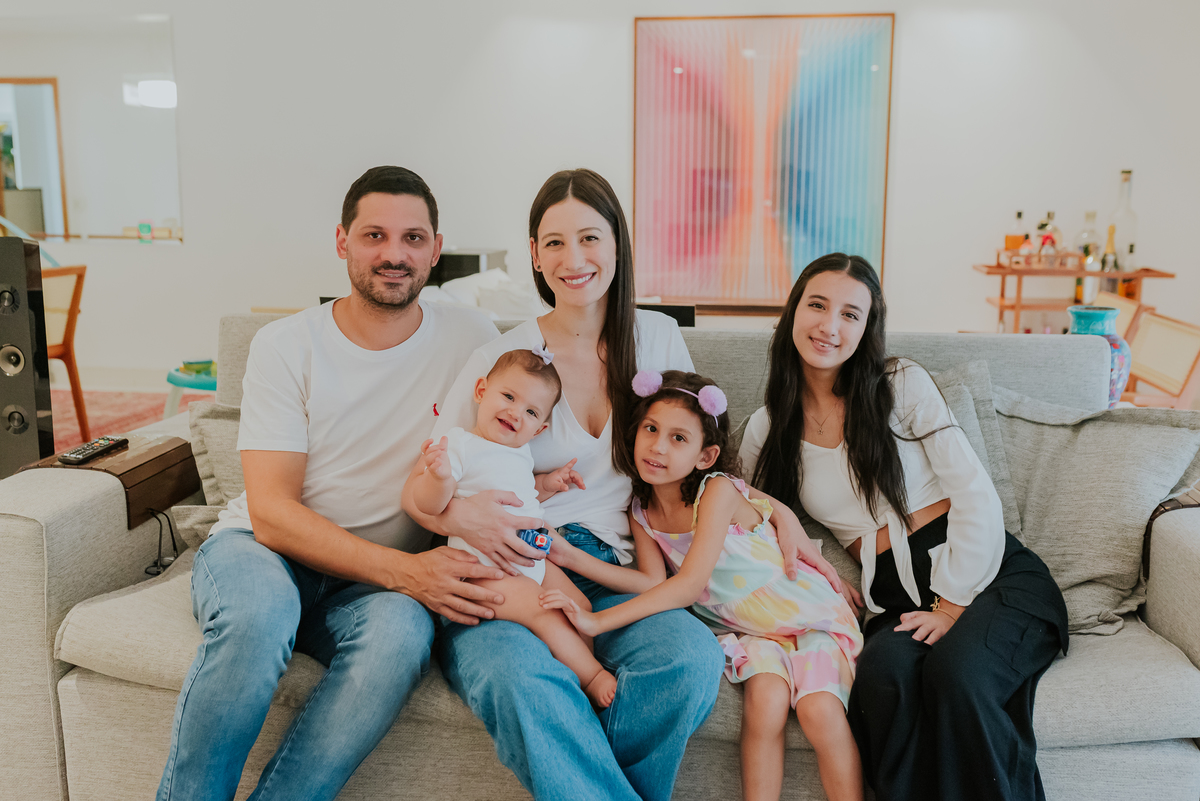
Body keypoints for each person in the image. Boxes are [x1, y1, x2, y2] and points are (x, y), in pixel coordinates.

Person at [404, 168, 783, 800]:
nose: (572, 259)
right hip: (508, 566)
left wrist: (771, 507)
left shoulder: (658, 336)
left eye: (589, 238)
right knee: (522, 684)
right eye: (553, 242)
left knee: (688, 662)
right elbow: (429, 482)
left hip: (615, 566)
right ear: (533, 254)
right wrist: (462, 519)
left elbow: (696, 459)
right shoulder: (503, 361)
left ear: (617, 245)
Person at [157, 166, 505, 801]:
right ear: (342, 241)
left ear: (435, 247)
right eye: (374, 235)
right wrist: (407, 573)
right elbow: (271, 513)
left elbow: (516, 436)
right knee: (259, 618)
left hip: (365, 587)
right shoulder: (285, 345)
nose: (394, 255)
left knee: (404, 634)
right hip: (264, 553)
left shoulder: (474, 341)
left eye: (413, 238)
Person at [738, 253, 1069, 801]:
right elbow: (739, 515)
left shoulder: (898, 384)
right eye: (817, 305)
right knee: (881, 679)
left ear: (867, 328)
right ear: (794, 310)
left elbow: (973, 492)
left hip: (989, 576)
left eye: (851, 314)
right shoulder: (768, 427)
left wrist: (953, 606)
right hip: (892, 597)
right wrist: (794, 533)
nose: (829, 325)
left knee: (958, 677)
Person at [540, 369, 865, 801]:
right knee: (764, 704)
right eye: (650, 430)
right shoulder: (642, 510)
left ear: (705, 456)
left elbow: (688, 586)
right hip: (755, 631)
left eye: (678, 438)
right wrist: (568, 556)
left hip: (805, 614)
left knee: (819, 710)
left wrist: (598, 622)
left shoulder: (717, 491)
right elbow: (650, 580)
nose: (657, 446)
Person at [406, 348, 617, 707]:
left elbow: (522, 497)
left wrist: (548, 484)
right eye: (508, 396)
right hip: (486, 568)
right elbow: (429, 505)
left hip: (529, 559)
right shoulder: (460, 444)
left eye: (531, 412)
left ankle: (573, 675)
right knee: (544, 612)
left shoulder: (520, 453)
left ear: (541, 428)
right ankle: (592, 675)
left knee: (579, 603)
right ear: (480, 391)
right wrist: (439, 477)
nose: (515, 413)